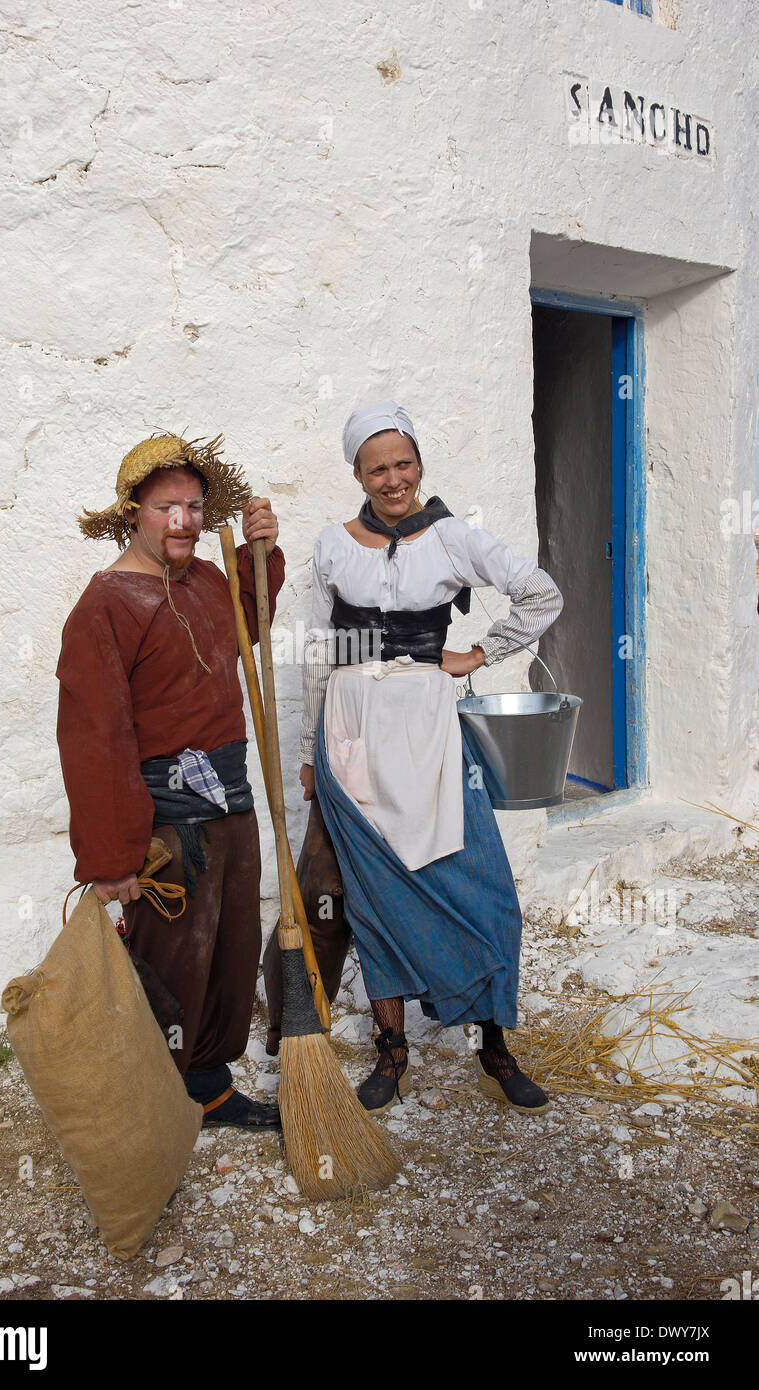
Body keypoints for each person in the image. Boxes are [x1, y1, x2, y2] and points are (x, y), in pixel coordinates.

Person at [296, 401, 564, 1116]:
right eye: (377, 467)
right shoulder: (331, 545)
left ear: (419, 465)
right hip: (351, 729)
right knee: (375, 896)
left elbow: (540, 594)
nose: (392, 480)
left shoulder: (450, 538)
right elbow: (318, 654)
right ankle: (392, 1052)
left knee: (478, 889)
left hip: (425, 726)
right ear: (355, 472)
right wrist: (307, 753)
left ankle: (494, 1047)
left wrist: (477, 654)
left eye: (403, 464)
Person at [56, 432, 285, 1127]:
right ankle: (148, 1116)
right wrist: (113, 861)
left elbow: (247, 628)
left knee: (228, 953)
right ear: (132, 513)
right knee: (171, 966)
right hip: (167, 825)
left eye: (192, 506)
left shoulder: (208, 578)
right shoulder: (105, 607)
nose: (183, 521)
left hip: (232, 804)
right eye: (165, 508)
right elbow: (95, 741)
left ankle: (208, 1088)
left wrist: (260, 555)